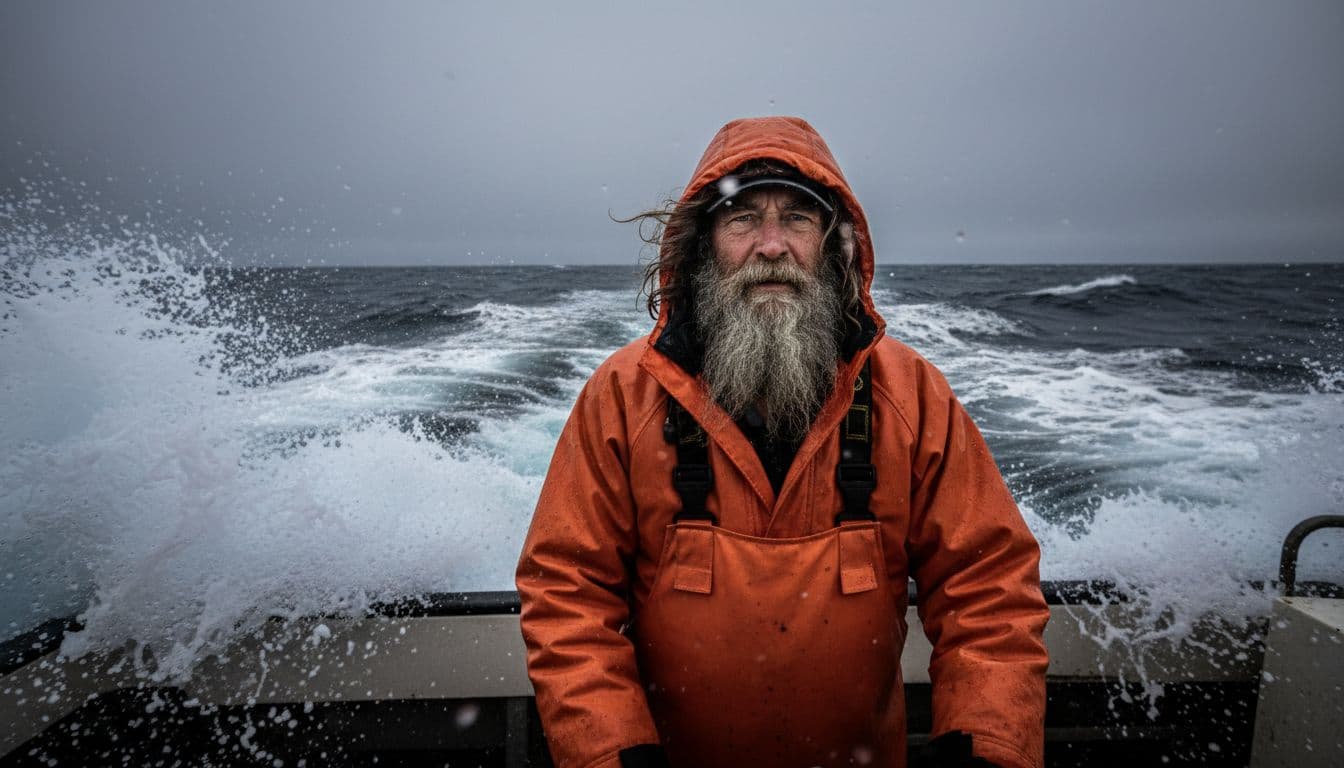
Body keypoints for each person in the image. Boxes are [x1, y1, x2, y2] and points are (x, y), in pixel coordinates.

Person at [516, 116, 1049, 768]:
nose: (772, 245)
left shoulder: (911, 395)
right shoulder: (622, 396)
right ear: (704, 244)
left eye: (798, 219)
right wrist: (613, 755)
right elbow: (566, 595)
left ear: (833, 245)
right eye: (742, 219)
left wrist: (985, 746)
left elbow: (988, 586)